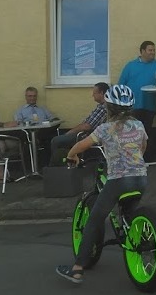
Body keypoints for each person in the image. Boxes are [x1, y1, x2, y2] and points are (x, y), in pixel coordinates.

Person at [55, 84, 147, 284]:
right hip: (141, 178)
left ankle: (77, 269)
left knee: (94, 221)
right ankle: (133, 236)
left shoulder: (105, 128)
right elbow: (142, 148)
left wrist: (71, 155)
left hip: (119, 181)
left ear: (108, 107)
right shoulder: (139, 125)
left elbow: (81, 145)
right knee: (129, 213)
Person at [49, 82, 109, 155]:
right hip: (89, 136)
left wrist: (69, 133)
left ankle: (57, 161)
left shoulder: (103, 108)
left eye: (94, 93)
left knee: (56, 140)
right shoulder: (105, 106)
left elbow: (87, 126)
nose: (92, 95)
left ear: (101, 93)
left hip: (86, 137)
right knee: (62, 139)